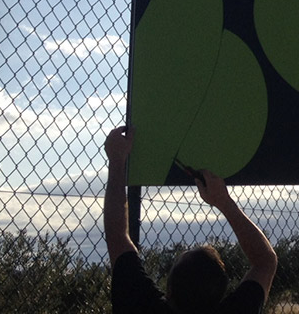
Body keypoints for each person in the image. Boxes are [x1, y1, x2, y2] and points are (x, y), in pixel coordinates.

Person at [104, 125, 278, 313]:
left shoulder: (143, 306)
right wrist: (224, 201)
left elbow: (117, 235)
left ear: (169, 290)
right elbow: (266, 260)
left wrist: (116, 160)